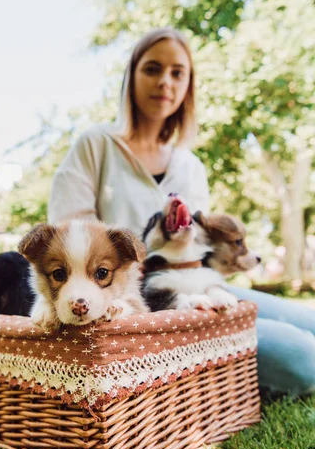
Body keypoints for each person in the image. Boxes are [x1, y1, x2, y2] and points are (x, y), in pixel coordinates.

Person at [48, 27, 315, 397]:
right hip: (143, 303)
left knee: (310, 321)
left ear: (189, 84)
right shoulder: (96, 146)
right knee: (302, 358)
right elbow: (66, 234)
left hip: (200, 288)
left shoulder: (190, 165)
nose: (165, 82)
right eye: (153, 69)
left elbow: (203, 251)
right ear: (131, 76)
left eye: (178, 73)